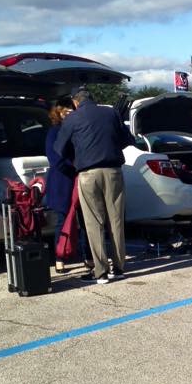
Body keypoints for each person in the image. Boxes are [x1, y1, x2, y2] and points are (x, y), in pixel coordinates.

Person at [54, 88, 134, 285]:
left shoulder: (72, 119)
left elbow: (59, 149)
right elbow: (127, 139)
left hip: (88, 174)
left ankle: (101, 272)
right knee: (116, 220)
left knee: (94, 222)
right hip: (113, 171)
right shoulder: (111, 113)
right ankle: (119, 267)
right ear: (93, 99)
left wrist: (78, 155)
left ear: (75, 102)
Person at [44, 96, 90, 273]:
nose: (68, 113)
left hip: (80, 178)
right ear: (58, 111)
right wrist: (74, 167)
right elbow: (54, 157)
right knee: (63, 220)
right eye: (65, 110)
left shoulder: (79, 129)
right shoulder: (54, 131)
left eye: (71, 110)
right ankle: (59, 257)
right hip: (63, 180)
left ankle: (88, 256)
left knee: (86, 219)